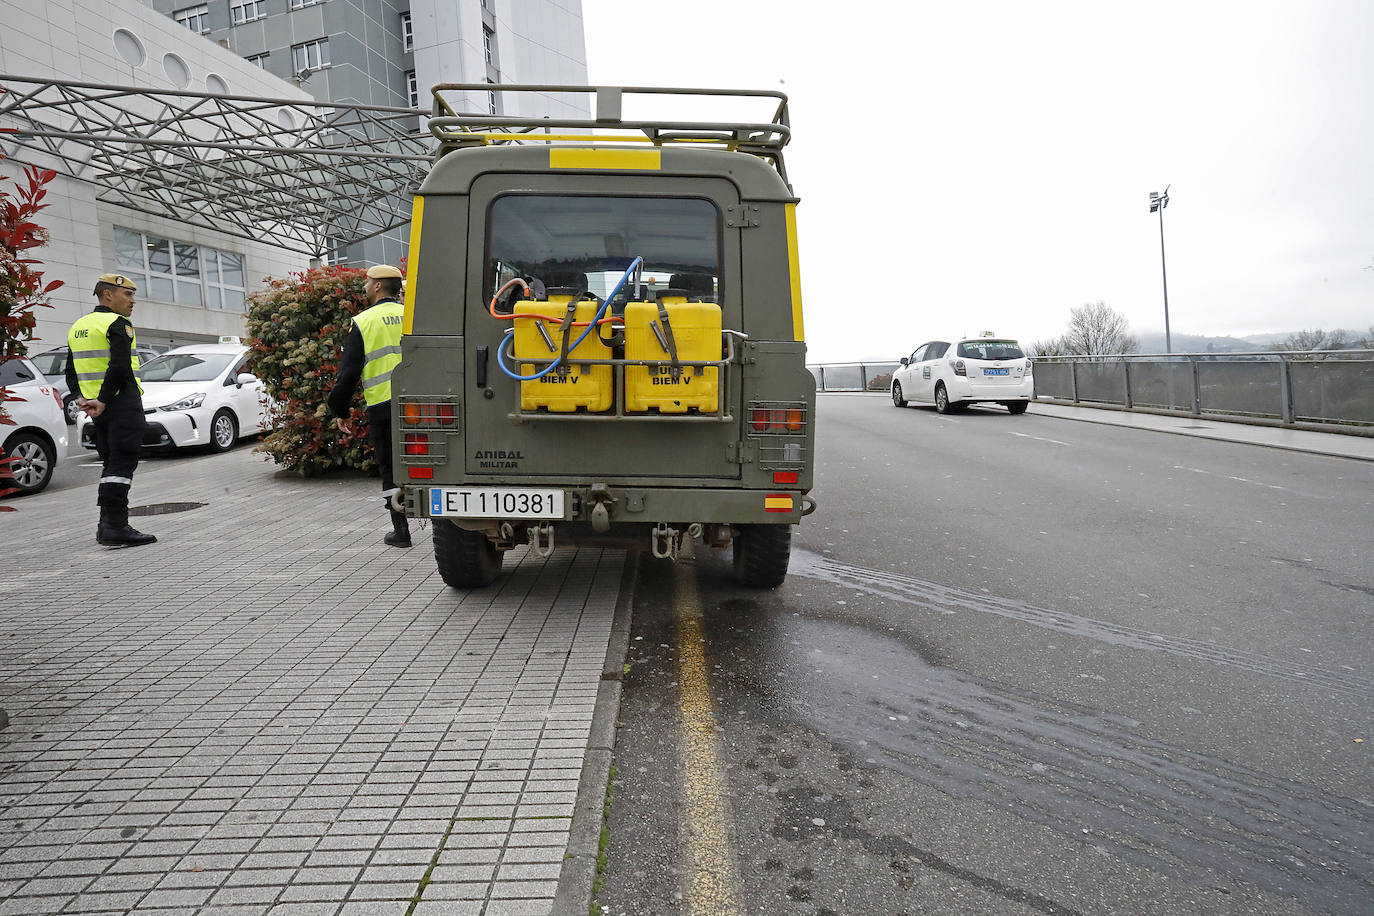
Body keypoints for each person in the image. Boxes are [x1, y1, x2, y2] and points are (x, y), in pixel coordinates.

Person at [65, 273, 156, 547]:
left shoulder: (79, 327)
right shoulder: (118, 324)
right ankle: (115, 526)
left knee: (111, 464)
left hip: (97, 410)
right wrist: (104, 399)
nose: (132, 301)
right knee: (122, 463)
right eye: (127, 294)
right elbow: (119, 366)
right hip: (121, 404)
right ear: (108, 295)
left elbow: (71, 370)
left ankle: (107, 524)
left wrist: (82, 399)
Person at [328, 264, 410, 547]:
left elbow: (348, 372)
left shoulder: (363, 322)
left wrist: (339, 409)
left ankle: (401, 532)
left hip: (383, 408)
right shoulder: (412, 317)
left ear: (377, 286)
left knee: (390, 469)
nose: (364, 286)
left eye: (368, 282)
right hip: (420, 404)